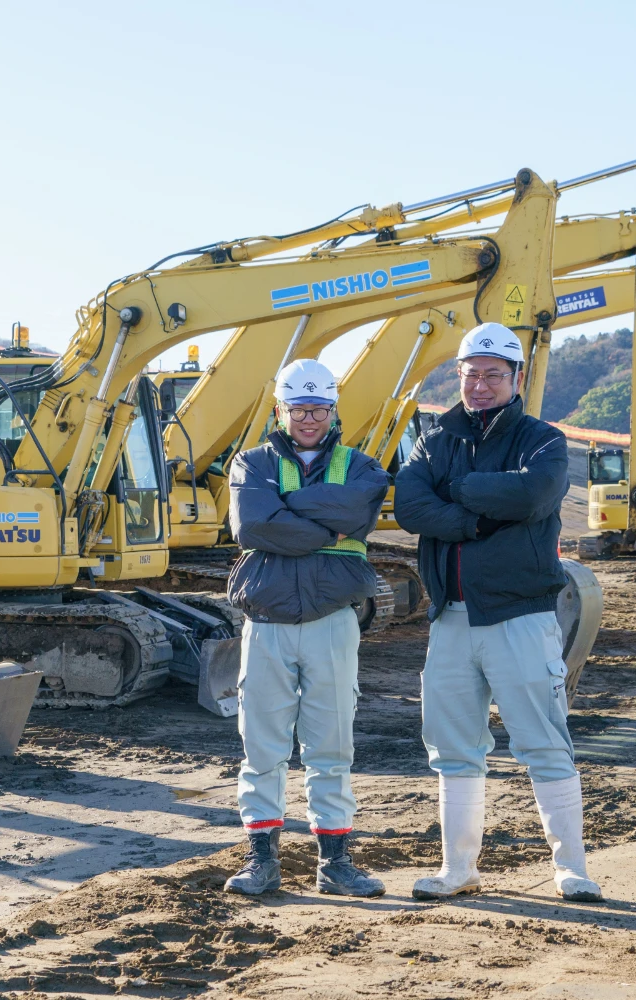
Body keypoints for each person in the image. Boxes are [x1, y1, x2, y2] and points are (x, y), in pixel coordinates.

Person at [394, 322, 602, 902]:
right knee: (453, 747)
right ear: (458, 376)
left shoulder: (543, 440)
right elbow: (410, 505)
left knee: (544, 742)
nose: (480, 385)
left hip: (520, 616)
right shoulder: (436, 437)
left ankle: (571, 870)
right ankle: (457, 869)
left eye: (492, 375)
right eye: (471, 375)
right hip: (451, 618)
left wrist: (455, 488)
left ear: (516, 377)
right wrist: (477, 518)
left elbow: (533, 495)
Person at [222, 357, 391, 898]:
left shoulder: (361, 467)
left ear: (334, 410)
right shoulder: (251, 463)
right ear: (280, 410)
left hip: (332, 621)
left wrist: (285, 509)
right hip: (267, 623)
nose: (309, 419)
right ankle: (261, 860)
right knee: (262, 747)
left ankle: (335, 863)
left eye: (318, 409)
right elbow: (253, 525)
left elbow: (355, 514)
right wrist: (324, 526)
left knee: (331, 745)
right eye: (298, 409)